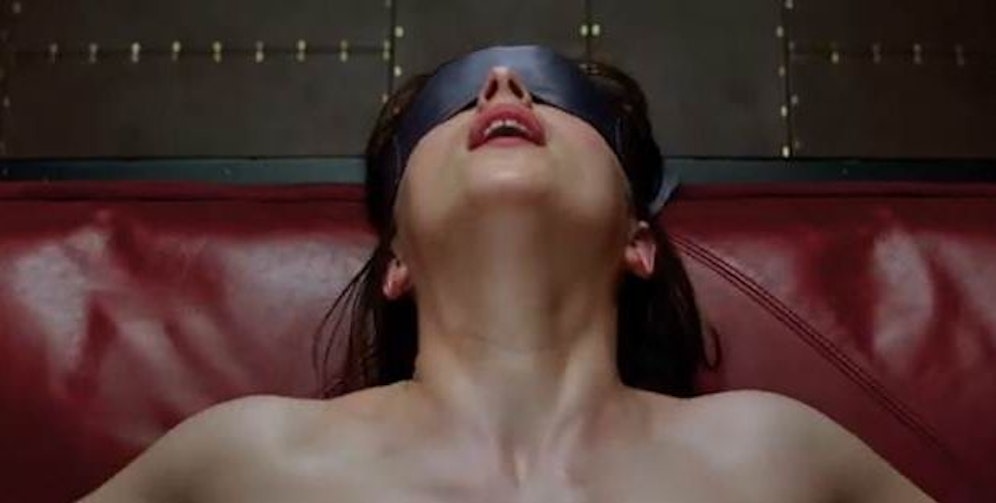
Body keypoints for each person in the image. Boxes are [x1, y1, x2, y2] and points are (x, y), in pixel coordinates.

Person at [82, 45, 934, 502]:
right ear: (397, 260)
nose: (502, 85)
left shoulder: (777, 455)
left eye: (559, 98)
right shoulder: (242, 459)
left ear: (638, 240)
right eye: (447, 109)